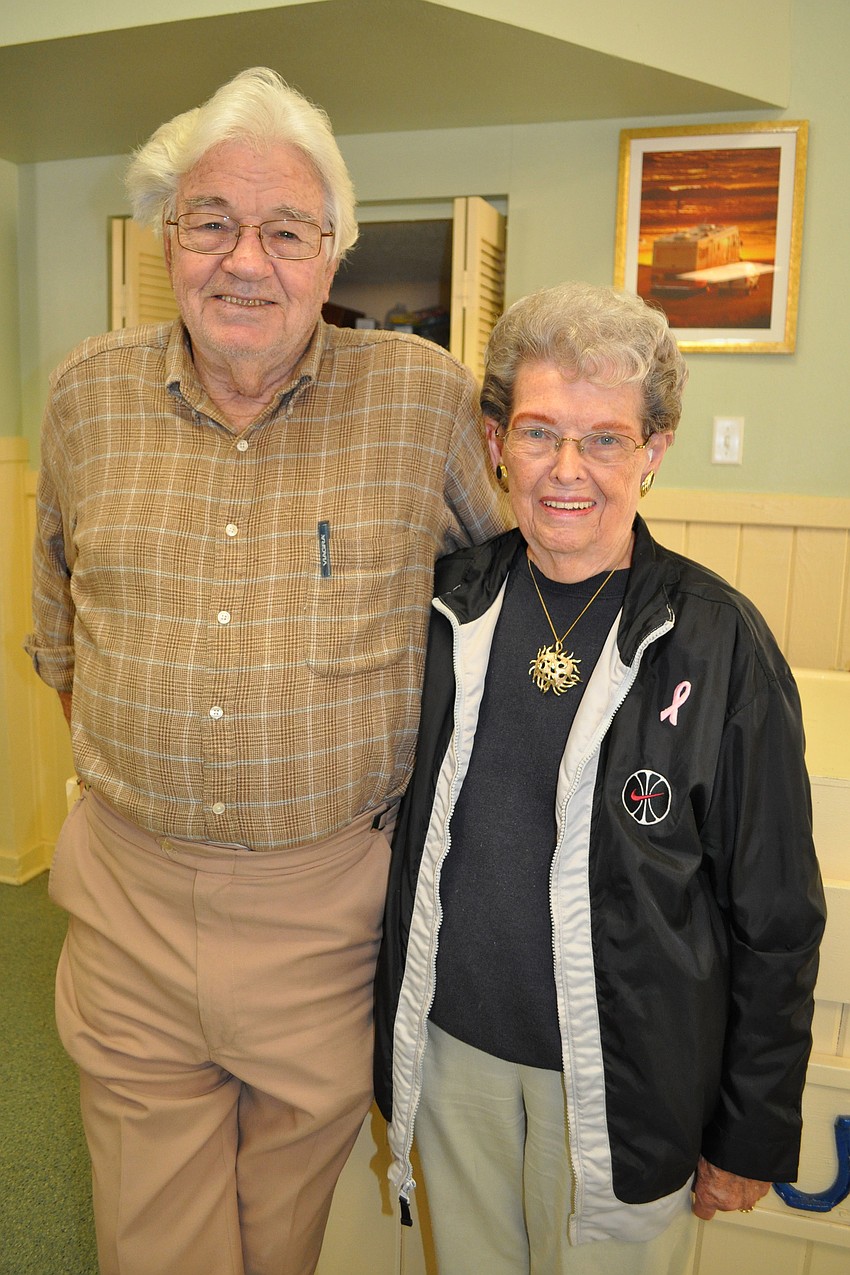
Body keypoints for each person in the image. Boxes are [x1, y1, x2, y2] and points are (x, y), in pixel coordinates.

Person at [25, 67, 507, 1275]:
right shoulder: (84, 396)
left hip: (330, 914)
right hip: (130, 902)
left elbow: (509, 604)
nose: (248, 261)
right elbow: (61, 641)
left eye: (287, 230)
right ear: (167, 241)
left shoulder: (427, 399)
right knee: (153, 1242)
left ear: (332, 252)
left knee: (289, 1234)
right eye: (213, 224)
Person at [374, 281, 826, 1274]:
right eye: (538, 433)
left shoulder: (719, 641)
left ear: (653, 451)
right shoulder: (444, 610)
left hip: (628, 1086)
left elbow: (776, 914)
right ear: (495, 441)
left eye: (605, 439)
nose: (566, 470)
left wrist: (748, 1129)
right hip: (456, 1064)